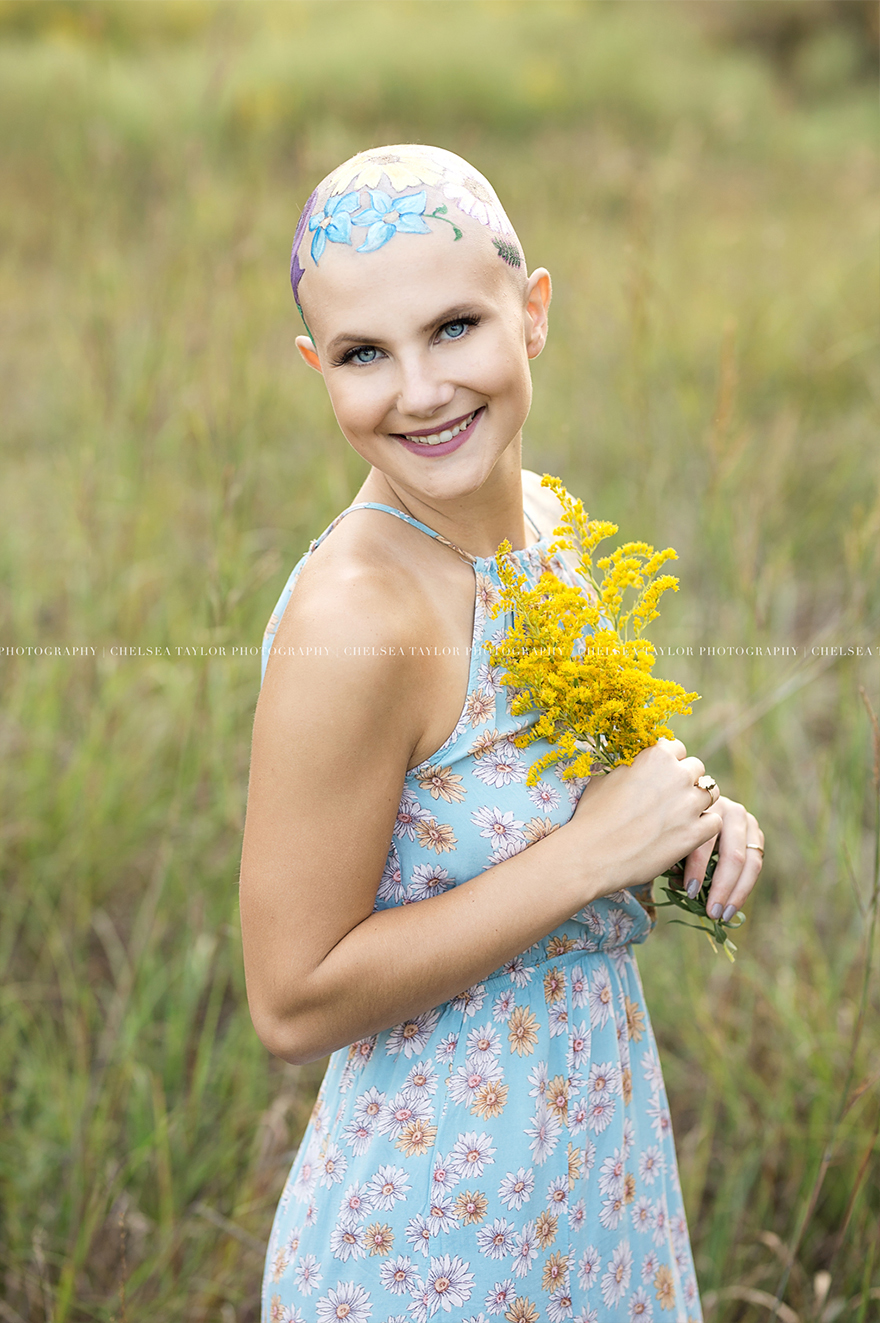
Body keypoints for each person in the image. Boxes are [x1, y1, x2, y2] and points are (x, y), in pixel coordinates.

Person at [239, 144, 764, 1323]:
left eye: (454, 329)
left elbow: (566, 779)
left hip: (589, 1187)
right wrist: (585, 857)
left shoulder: (542, 521)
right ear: (316, 366)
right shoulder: (356, 620)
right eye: (366, 354)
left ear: (531, 316)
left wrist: (683, 820)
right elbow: (290, 999)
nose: (420, 390)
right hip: (430, 1238)